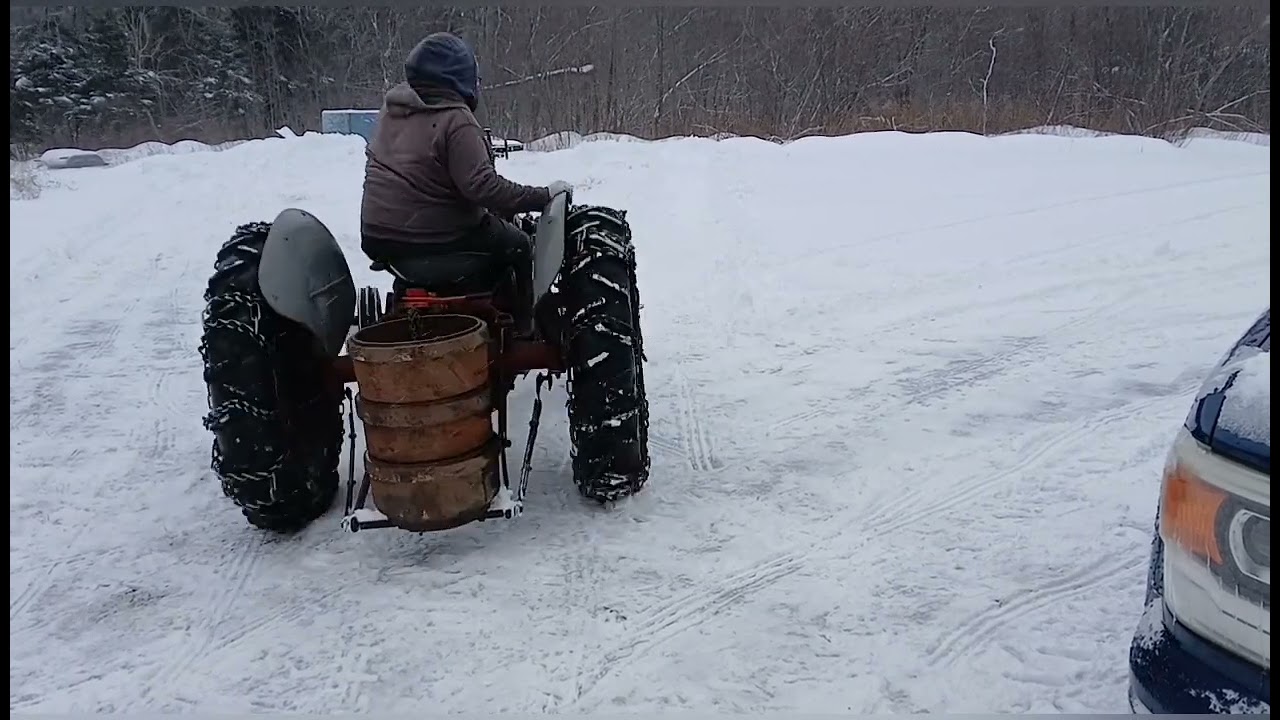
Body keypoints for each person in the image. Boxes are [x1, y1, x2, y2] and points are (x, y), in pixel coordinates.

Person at [359, 31, 571, 333]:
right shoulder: (455, 119)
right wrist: (541, 196)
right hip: (440, 240)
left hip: (382, 240)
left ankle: (409, 305)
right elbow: (482, 187)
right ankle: (525, 326)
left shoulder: (391, 113)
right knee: (519, 245)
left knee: (419, 252)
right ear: (464, 79)